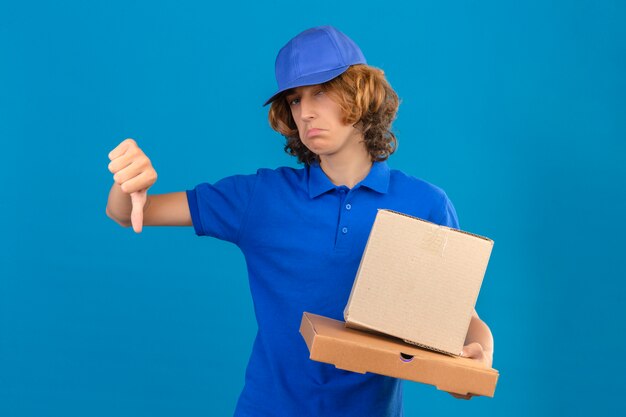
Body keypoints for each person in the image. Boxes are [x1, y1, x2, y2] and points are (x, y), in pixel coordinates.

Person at [106, 26, 494, 416]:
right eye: (294, 100)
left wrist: (476, 360)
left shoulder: (425, 203)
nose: (305, 112)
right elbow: (131, 214)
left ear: (361, 91)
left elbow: (462, 319)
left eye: (321, 91)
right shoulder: (261, 198)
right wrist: (127, 183)